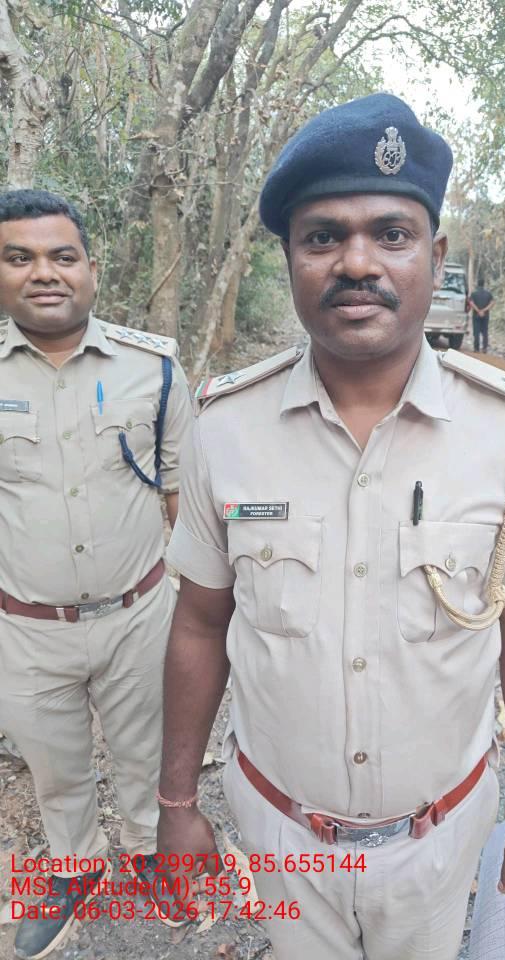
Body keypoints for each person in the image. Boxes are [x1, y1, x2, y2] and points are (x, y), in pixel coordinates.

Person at [158, 93, 505, 960]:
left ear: (436, 254)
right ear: (289, 258)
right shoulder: (224, 429)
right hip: (279, 831)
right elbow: (199, 626)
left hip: (439, 841)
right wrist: (176, 805)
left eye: (391, 233)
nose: (357, 262)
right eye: (323, 237)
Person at [0, 190, 193, 959]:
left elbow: (182, 498)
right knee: (55, 767)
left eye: (62, 256)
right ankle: (74, 866)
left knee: (149, 752)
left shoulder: (155, 368)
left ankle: (150, 855)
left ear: (92, 268)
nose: (44, 273)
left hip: (139, 614)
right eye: (19, 258)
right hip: (25, 627)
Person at [468, 276, 494, 353]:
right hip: (485, 315)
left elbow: (471, 303)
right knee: (485, 332)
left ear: (477, 284)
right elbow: (492, 303)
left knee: (476, 331)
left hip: (476, 315)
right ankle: (484, 348)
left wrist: (478, 310)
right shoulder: (488, 294)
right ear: (483, 284)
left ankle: (476, 348)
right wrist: (484, 310)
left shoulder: (474, 293)